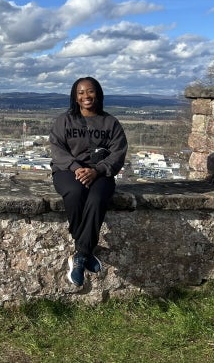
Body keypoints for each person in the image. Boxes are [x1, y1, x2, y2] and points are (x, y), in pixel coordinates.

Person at [49, 77, 128, 287]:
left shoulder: (110, 123)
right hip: (67, 171)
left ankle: (80, 255)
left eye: (90, 92)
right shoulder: (64, 121)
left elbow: (118, 153)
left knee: (97, 197)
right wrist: (77, 168)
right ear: (75, 97)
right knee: (74, 193)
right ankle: (84, 251)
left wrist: (97, 170)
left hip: (101, 174)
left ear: (98, 94)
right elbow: (57, 150)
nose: (86, 96)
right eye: (81, 93)